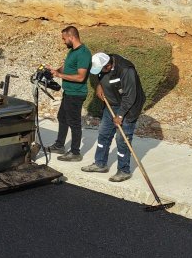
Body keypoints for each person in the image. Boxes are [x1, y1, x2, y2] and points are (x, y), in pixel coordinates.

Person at [81, 52, 146, 183]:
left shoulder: (126, 70)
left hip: (129, 106)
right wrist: (100, 85)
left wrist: (120, 115)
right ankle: (100, 164)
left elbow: (130, 96)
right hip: (111, 104)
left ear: (109, 65)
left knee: (122, 139)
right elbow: (101, 76)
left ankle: (124, 170)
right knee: (104, 133)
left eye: (101, 70)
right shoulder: (103, 61)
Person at [47, 26, 92, 162]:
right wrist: (54, 71)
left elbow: (80, 77)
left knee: (74, 122)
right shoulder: (72, 51)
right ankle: (60, 145)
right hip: (68, 92)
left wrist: (60, 74)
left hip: (76, 93)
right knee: (62, 117)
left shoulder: (84, 53)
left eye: (64, 38)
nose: (63, 41)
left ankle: (75, 152)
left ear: (72, 37)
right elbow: (67, 67)